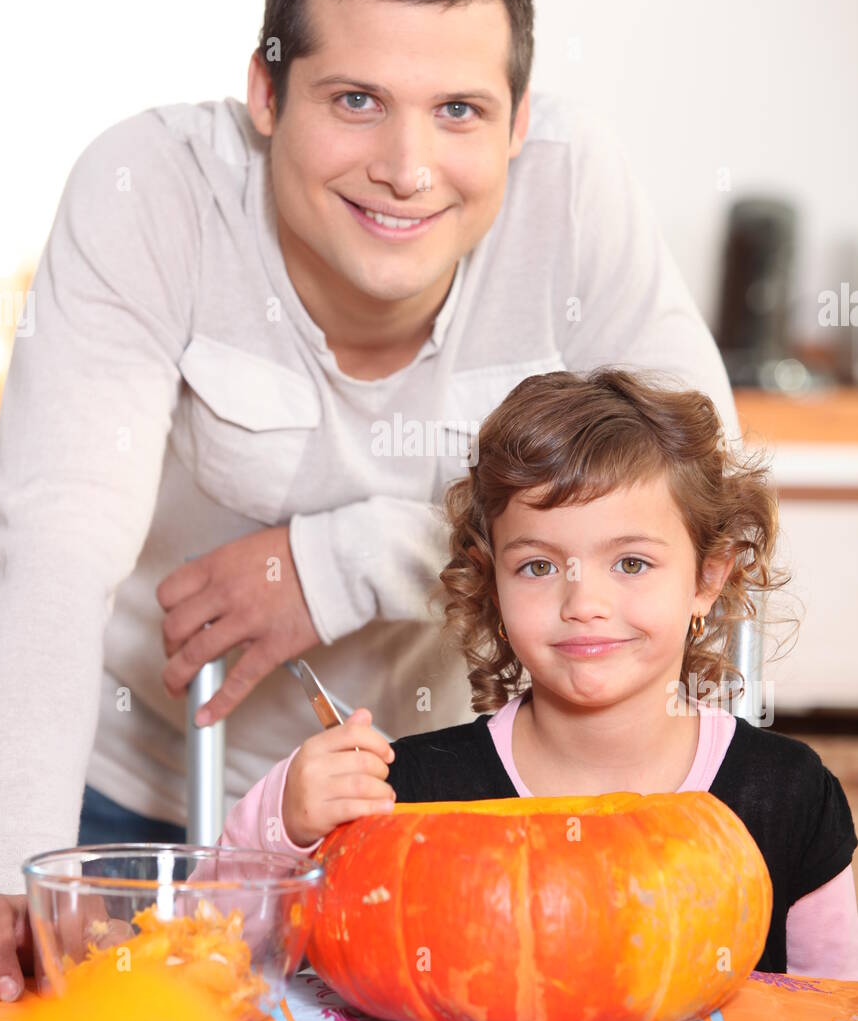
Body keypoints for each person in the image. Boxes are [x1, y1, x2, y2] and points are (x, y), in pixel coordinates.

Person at [0, 0, 742, 999]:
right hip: (135, 791)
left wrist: (340, 561)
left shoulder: (573, 191)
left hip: (461, 804)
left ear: (518, 119)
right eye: (354, 99)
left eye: (457, 110)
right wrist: (14, 860)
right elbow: (54, 532)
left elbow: (699, 496)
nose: (405, 166)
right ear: (265, 90)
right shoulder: (149, 186)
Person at [222, 368, 858, 976]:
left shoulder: (789, 794)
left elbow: (834, 1016)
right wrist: (285, 819)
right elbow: (215, 957)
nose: (584, 604)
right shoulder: (406, 799)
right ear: (493, 582)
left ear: (707, 578)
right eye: (538, 567)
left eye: (632, 563)